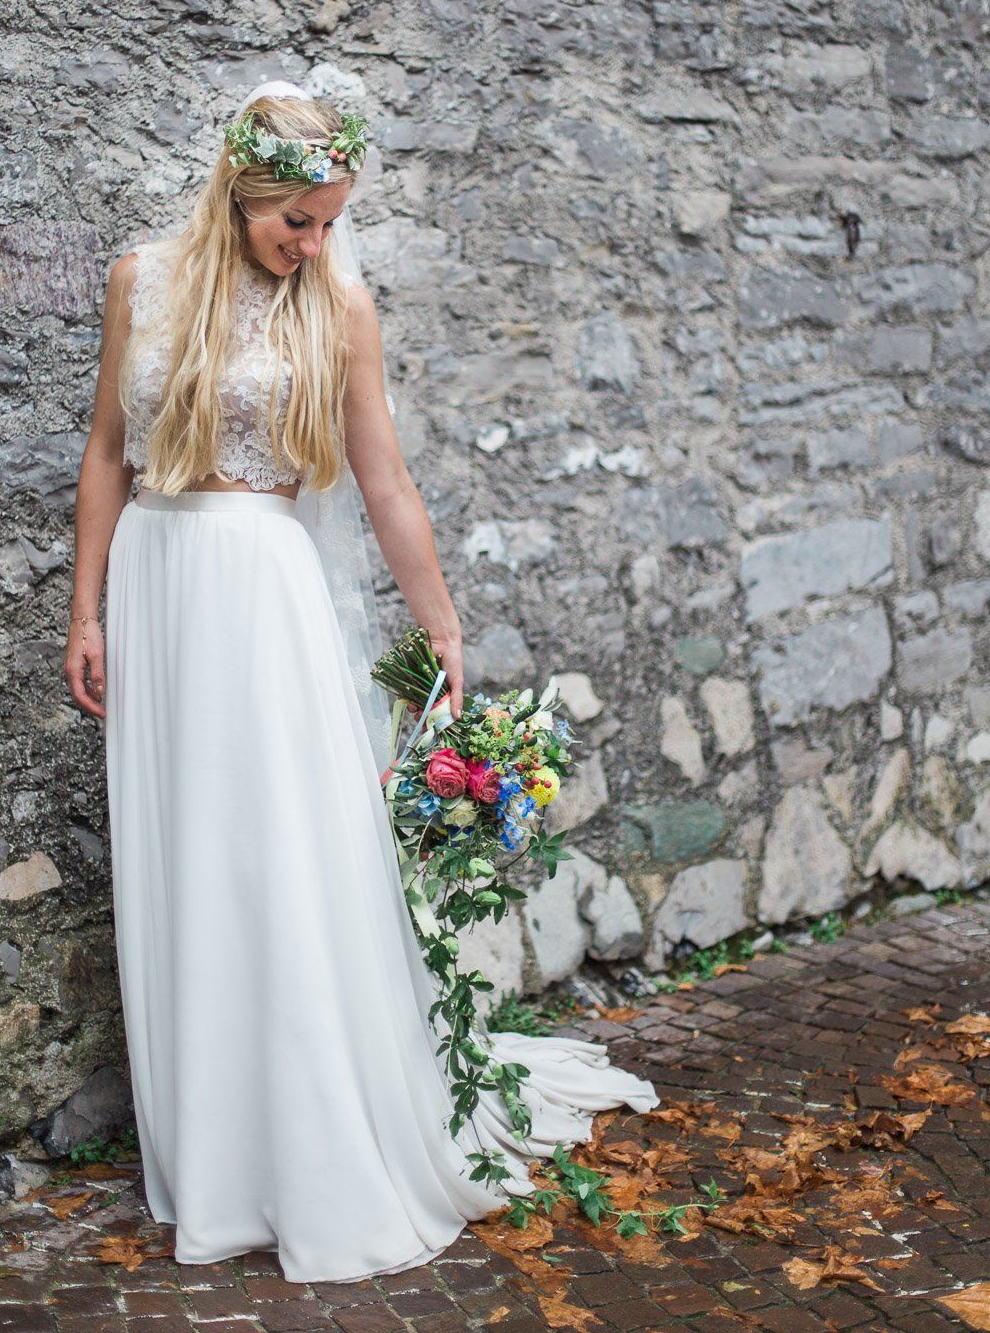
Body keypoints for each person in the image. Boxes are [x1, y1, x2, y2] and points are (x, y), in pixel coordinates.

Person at [64, 79, 659, 1283]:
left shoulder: (337, 304)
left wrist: (440, 624)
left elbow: (383, 479)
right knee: (185, 861)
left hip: (262, 593)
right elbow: (108, 454)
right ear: (240, 191)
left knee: (277, 857)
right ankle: (214, 1157)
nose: (314, 242)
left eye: (331, 222)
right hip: (160, 586)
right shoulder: (143, 282)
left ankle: (314, 1143)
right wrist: (86, 611)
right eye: (297, 220)